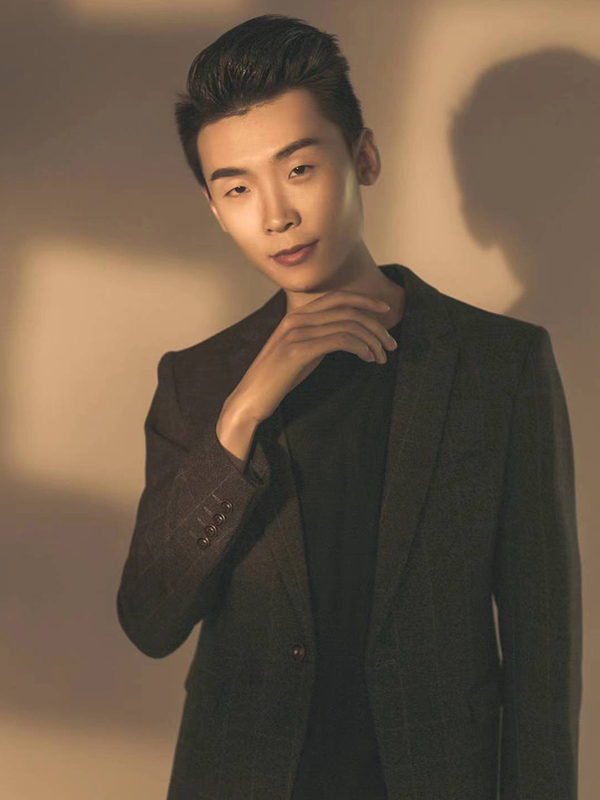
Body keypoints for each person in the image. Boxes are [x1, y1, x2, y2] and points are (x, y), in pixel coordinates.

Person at [116, 13, 582, 800]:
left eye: (299, 168)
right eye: (237, 188)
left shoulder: (501, 365)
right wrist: (241, 416)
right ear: (215, 207)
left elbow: (543, 648)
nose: (275, 215)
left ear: (363, 156)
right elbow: (149, 621)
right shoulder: (198, 382)